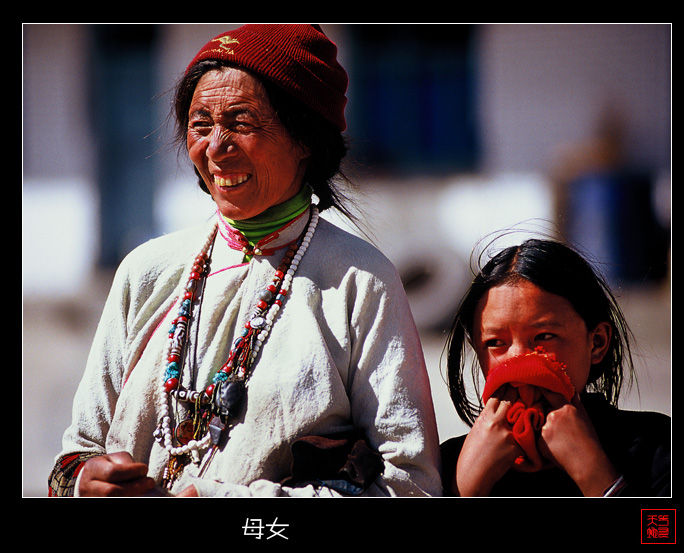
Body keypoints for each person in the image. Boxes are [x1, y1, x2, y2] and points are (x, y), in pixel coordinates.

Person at [49, 24, 442, 497]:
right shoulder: (144, 272)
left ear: (306, 139)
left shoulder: (361, 282)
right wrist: (84, 483)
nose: (214, 148)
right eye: (200, 125)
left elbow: (410, 485)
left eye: (240, 122)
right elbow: (77, 453)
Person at [440, 238, 670, 497]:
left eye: (544, 336)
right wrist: (467, 487)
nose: (519, 360)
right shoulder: (443, 466)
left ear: (597, 342)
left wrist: (596, 476)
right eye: (495, 343)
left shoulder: (656, 447)